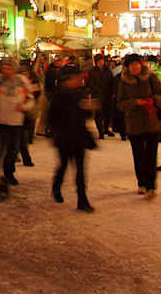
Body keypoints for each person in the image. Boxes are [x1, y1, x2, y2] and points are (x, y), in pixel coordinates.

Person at [118, 53, 161, 200]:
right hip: (134, 124)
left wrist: (153, 100)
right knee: (138, 155)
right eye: (132, 64)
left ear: (142, 65)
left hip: (152, 121)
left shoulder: (151, 78)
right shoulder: (123, 82)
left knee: (151, 155)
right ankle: (141, 182)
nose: (135, 67)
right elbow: (120, 104)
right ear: (127, 67)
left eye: (137, 64)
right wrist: (135, 102)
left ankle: (151, 185)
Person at [48, 66, 97, 212]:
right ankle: (56, 187)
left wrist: (89, 109)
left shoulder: (81, 94)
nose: (80, 81)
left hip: (79, 135)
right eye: (76, 78)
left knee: (80, 169)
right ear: (67, 80)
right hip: (64, 137)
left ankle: (82, 199)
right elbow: (52, 118)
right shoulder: (58, 96)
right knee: (63, 165)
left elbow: (87, 117)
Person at [0, 59, 34, 186]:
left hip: (17, 121)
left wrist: (25, 107)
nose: (7, 71)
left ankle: (9, 173)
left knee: (13, 149)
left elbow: (31, 99)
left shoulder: (22, 81)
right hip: (0, 121)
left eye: (10, 68)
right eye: (4, 68)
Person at [19, 61, 43, 166]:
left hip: (28, 111)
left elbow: (37, 94)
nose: (25, 76)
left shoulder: (33, 81)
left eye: (26, 74)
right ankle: (24, 158)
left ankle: (26, 158)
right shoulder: (16, 84)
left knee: (22, 137)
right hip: (18, 114)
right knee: (19, 138)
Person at [88, 54, 116, 139]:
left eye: (102, 60)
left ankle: (106, 129)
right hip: (97, 96)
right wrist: (97, 92)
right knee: (99, 115)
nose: (101, 62)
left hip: (108, 95)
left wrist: (112, 92)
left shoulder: (108, 70)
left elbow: (112, 82)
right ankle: (100, 132)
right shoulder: (92, 71)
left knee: (108, 113)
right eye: (99, 61)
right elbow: (91, 84)